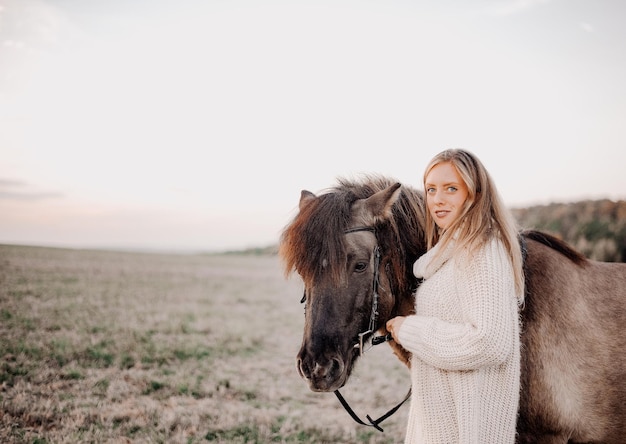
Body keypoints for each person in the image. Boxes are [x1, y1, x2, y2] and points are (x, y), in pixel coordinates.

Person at [386, 149, 525, 443]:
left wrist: (409, 329)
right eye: (431, 189)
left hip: (468, 428)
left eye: (451, 188)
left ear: (474, 194)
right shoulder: (446, 255)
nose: (438, 199)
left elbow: (489, 342)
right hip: (441, 421)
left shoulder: (483, 250)